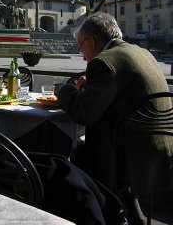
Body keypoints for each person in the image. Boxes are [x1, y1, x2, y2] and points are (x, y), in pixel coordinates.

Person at [54, 12, 171, 216]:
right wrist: (90, 89)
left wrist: (64, 89)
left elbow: (83, 113)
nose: (83, 56)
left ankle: (95, 213)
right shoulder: (142, 53)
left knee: (72, 155)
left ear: (90, 40)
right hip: (160, 148)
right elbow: (121, 92)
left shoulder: (104, 61)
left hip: (130, 158)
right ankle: (123, 212)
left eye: (81, 47)